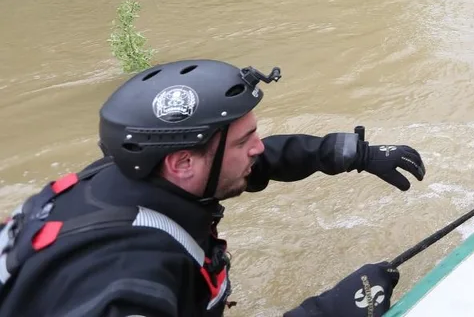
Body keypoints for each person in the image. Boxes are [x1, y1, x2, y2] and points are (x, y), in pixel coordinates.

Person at [0, 59, 427, 317]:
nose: (259, 148)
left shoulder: (131, 175)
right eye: (246, 141)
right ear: (181, 161)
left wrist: (345, 152)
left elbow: (245, 163)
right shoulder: (126, 284)